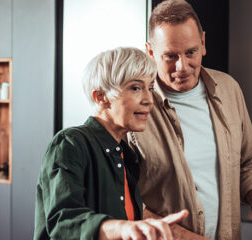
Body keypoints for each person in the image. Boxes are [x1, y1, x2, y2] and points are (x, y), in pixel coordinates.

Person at [128, 1, 252, 240]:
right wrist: (181, 236)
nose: (182, 66)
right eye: (170, 56)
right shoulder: (132, 106)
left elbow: (249, 161)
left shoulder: (229, 89)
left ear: (203, 43)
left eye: (190, 52)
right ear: (150, 52)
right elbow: (123, 197)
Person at [35, 47, 188, 240]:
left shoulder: (127, 155)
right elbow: (62, 221)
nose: (149, 100)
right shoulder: (70, 144)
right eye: (135, 88)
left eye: (150, 88)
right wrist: (123, 229)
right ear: (101, 97)